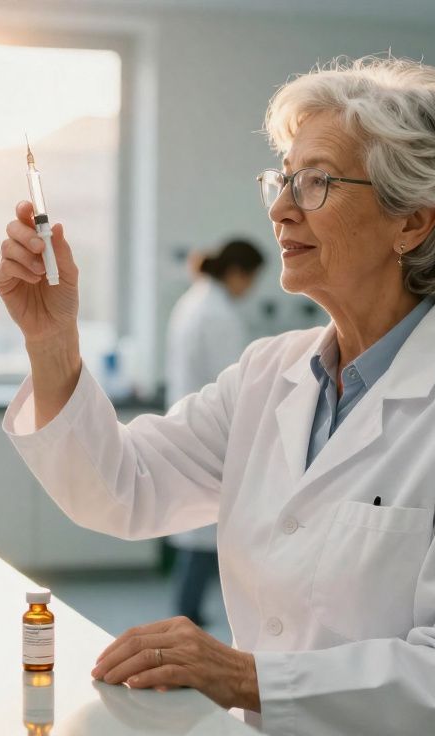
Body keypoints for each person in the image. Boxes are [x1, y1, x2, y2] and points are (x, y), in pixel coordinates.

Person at [0, 57, 435, 735]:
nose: (279, 209)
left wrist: (245, 677)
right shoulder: (271, 373)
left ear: (413, 221)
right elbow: (122, 486)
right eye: (283, 180)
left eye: (316, 182)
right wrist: (53, 338)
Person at [165, 239, 264, 626]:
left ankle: (187, 612)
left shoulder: (196, 301)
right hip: (211, 430)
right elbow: (235, 381)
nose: (250, 290)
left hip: (191, 423)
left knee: (200, 529)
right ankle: (186, 615)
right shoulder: (218, 314)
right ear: (238, 273)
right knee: (205, 532)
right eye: (251, 280)